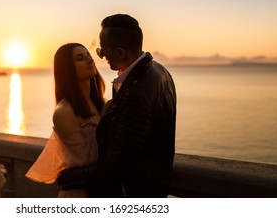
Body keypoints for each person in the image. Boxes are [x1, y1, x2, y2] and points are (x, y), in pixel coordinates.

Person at [57, 14, 177, 197]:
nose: (101, 57)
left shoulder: (138, 91)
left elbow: (118, 164)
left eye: (102, 52)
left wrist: (67, 178)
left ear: (120, 52)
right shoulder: (158, 70)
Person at [25, 43, 106, 197]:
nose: (90, 60)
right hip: (80, 194)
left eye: (89, 55)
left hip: (100, 191)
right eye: (80, 58)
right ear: (68, 70)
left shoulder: (101, 104)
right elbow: (85, 161)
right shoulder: (65, 112)